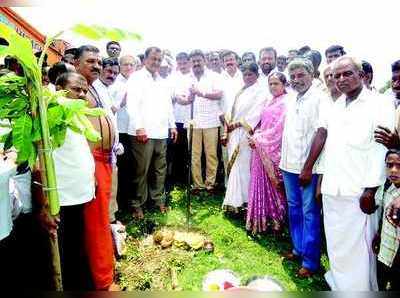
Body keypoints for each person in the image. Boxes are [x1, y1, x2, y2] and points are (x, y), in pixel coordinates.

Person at [305, 56, 395, 290]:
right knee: (336, 246)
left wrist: (371, 190)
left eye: (348, 74)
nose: (341, 79)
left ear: (361, 76)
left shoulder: (379, 103)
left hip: (359, 191)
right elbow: (328, 147)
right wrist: (320, 184)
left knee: (360, 251)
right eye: (337, 75)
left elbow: (380, 150)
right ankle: (340, 286)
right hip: (333, 189)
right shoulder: (335, 106)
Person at [74, 45, 118, 291]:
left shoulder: (94, 88)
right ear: (76, 63)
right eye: (90, 61)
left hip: (104, 159)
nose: (97, 66)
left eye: (99, 62)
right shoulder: (74, 90)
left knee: (100, 220)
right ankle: (103, 281)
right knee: (96, 221)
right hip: (91, 161)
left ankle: (103, 272)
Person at [279, 58, 326, 278]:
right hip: (288, 165)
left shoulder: (319, 98)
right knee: (294, 208)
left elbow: (321, 133)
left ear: (312, 74)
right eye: (293, 76)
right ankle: (298, 249)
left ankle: (310, 261)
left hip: (308, 168)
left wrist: (307, 168)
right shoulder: (291, 98)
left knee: (309, 213)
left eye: (301, 75)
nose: (296, 80)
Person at [53, 72, 96, 290]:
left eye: (84, 91)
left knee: (76, 245)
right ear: (59, 88)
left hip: (79, 194)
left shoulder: (77, 114)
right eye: (76, 89)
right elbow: (39, 164)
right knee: (65, 251)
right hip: (61, 197)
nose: (81, 95)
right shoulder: (50, 116)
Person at [126, 47, 177, 219]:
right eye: (153, 59)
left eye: (158, 59)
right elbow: (132, 105)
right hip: (143, 131)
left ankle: (157, 200)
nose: (156, 62)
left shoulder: (162, 80)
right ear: (145, 59)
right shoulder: (136, 78)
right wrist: (139, 127)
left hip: (161, 132)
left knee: (159, 169)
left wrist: (172, 126)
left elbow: (168, 105)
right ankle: (137, 204)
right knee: (141, 170)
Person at [176, 49, 223, 194]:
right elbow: (179, 98)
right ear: (190, 62)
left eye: (199, 60)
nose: (196, 63)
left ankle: (210, 184)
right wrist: (187, 99)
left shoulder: (214, 76)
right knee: (194, 155)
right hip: (193, 121)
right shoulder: (186, 78)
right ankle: (197, 185)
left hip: (211, 121)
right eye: (194, 61)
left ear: (204, 61)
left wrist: (201, 93)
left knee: (211, 154)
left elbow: (219, 94)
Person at [222, 62, 267, 212]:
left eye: (250, 74)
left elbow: (256, 113)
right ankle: (233, 200)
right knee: (235, 165)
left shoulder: (260, 92)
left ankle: (246, 201)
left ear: (257, 75)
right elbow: (231, 110)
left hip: (246, 133)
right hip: (234, 133)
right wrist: (227, 124)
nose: (247, 77)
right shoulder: (241, 90)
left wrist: (237, 124)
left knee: (244, 166)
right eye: (245, 74)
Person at [247, 72, 287, 234]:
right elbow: (263, 123)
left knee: (274, 186)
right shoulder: (270, 101)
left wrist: (258, 138)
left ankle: (277, 220)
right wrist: (257, 135)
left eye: (276, 83)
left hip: (272, 149)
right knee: (259, 182)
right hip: (261, 148)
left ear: (284, 85)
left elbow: (279, 129)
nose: (273, 87)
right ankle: (261, 220)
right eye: (270, 84)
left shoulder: (286, 102)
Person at [92, 57, 122, 225]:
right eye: (109, 71)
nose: (112, 75)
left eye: (115, 73)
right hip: (99, 153)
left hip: (111, 152)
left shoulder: (106, 89)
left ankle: (110, 221)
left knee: (111, 188)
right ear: (101, 70)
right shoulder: (94, 89)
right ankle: (107, 224)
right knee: (104, 190)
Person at [110, 55, 137, 211]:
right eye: (125, 64)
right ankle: (119, 201)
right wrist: (125, 100)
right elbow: (112, 108)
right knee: (121, 166)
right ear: (120, 66)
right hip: (120, 130)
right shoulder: (114, 84)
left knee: (133, 166)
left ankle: (130, 199)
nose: (128, 67)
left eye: (131, 64)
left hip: (134, 129)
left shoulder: (138, 82)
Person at [373, 149, 400, 290]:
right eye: (390, 165)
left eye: (399, 166)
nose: (393, 170)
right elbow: (383, 214)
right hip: (384, 252)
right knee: (380, 283)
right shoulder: (386, 187)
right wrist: (378, 235)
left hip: (397, 258)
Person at [219, 51, 243, 185]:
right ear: (223, 63)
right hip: (225, 122)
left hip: (241, 124)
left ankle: (241, 186)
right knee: (226, 154)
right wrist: (221, 116)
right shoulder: (219, 78)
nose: (229, 62)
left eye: (231, 59)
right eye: (226, 60)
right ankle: (229, 186)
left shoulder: (243, 76)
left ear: (237, 60)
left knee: (241, 155)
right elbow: (216, 102)